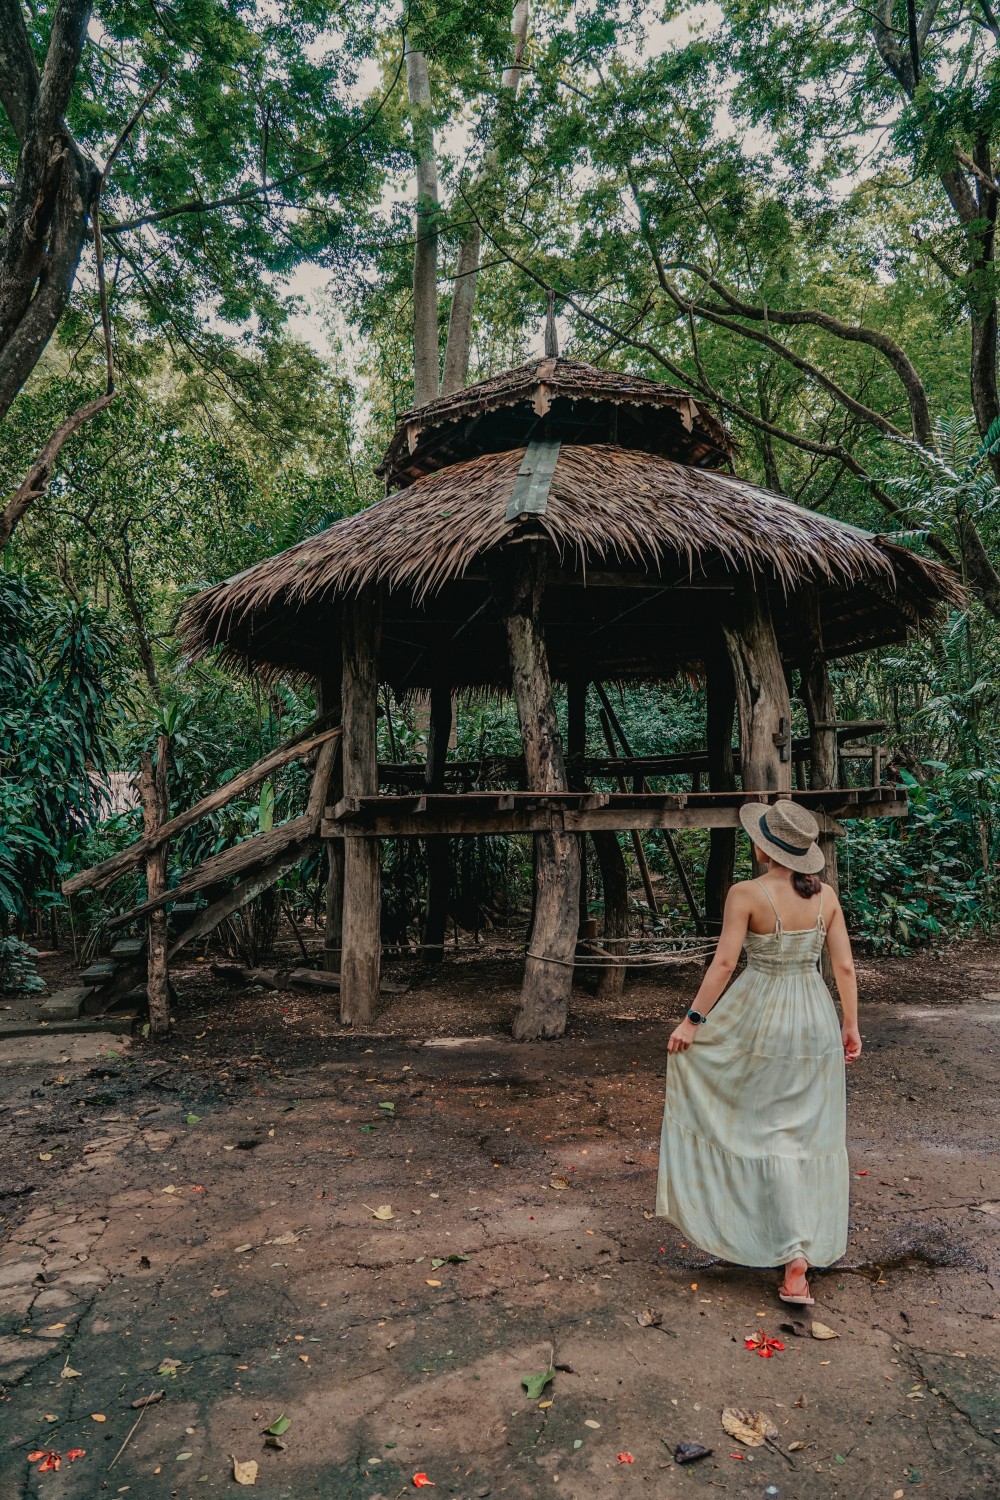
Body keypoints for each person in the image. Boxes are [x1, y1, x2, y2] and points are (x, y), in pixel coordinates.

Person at [655, 799, 861, 1305]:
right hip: (814, 1018)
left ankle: (790, 1251)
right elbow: (844, 968)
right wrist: (850, 1024)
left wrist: (692, 1021)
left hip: (761, 1017)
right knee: (805, 1132)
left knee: (766, 1130)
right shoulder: (826, 896)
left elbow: (724, 965)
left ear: (764, 847)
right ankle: (796, 1253)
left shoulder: (746, 893)